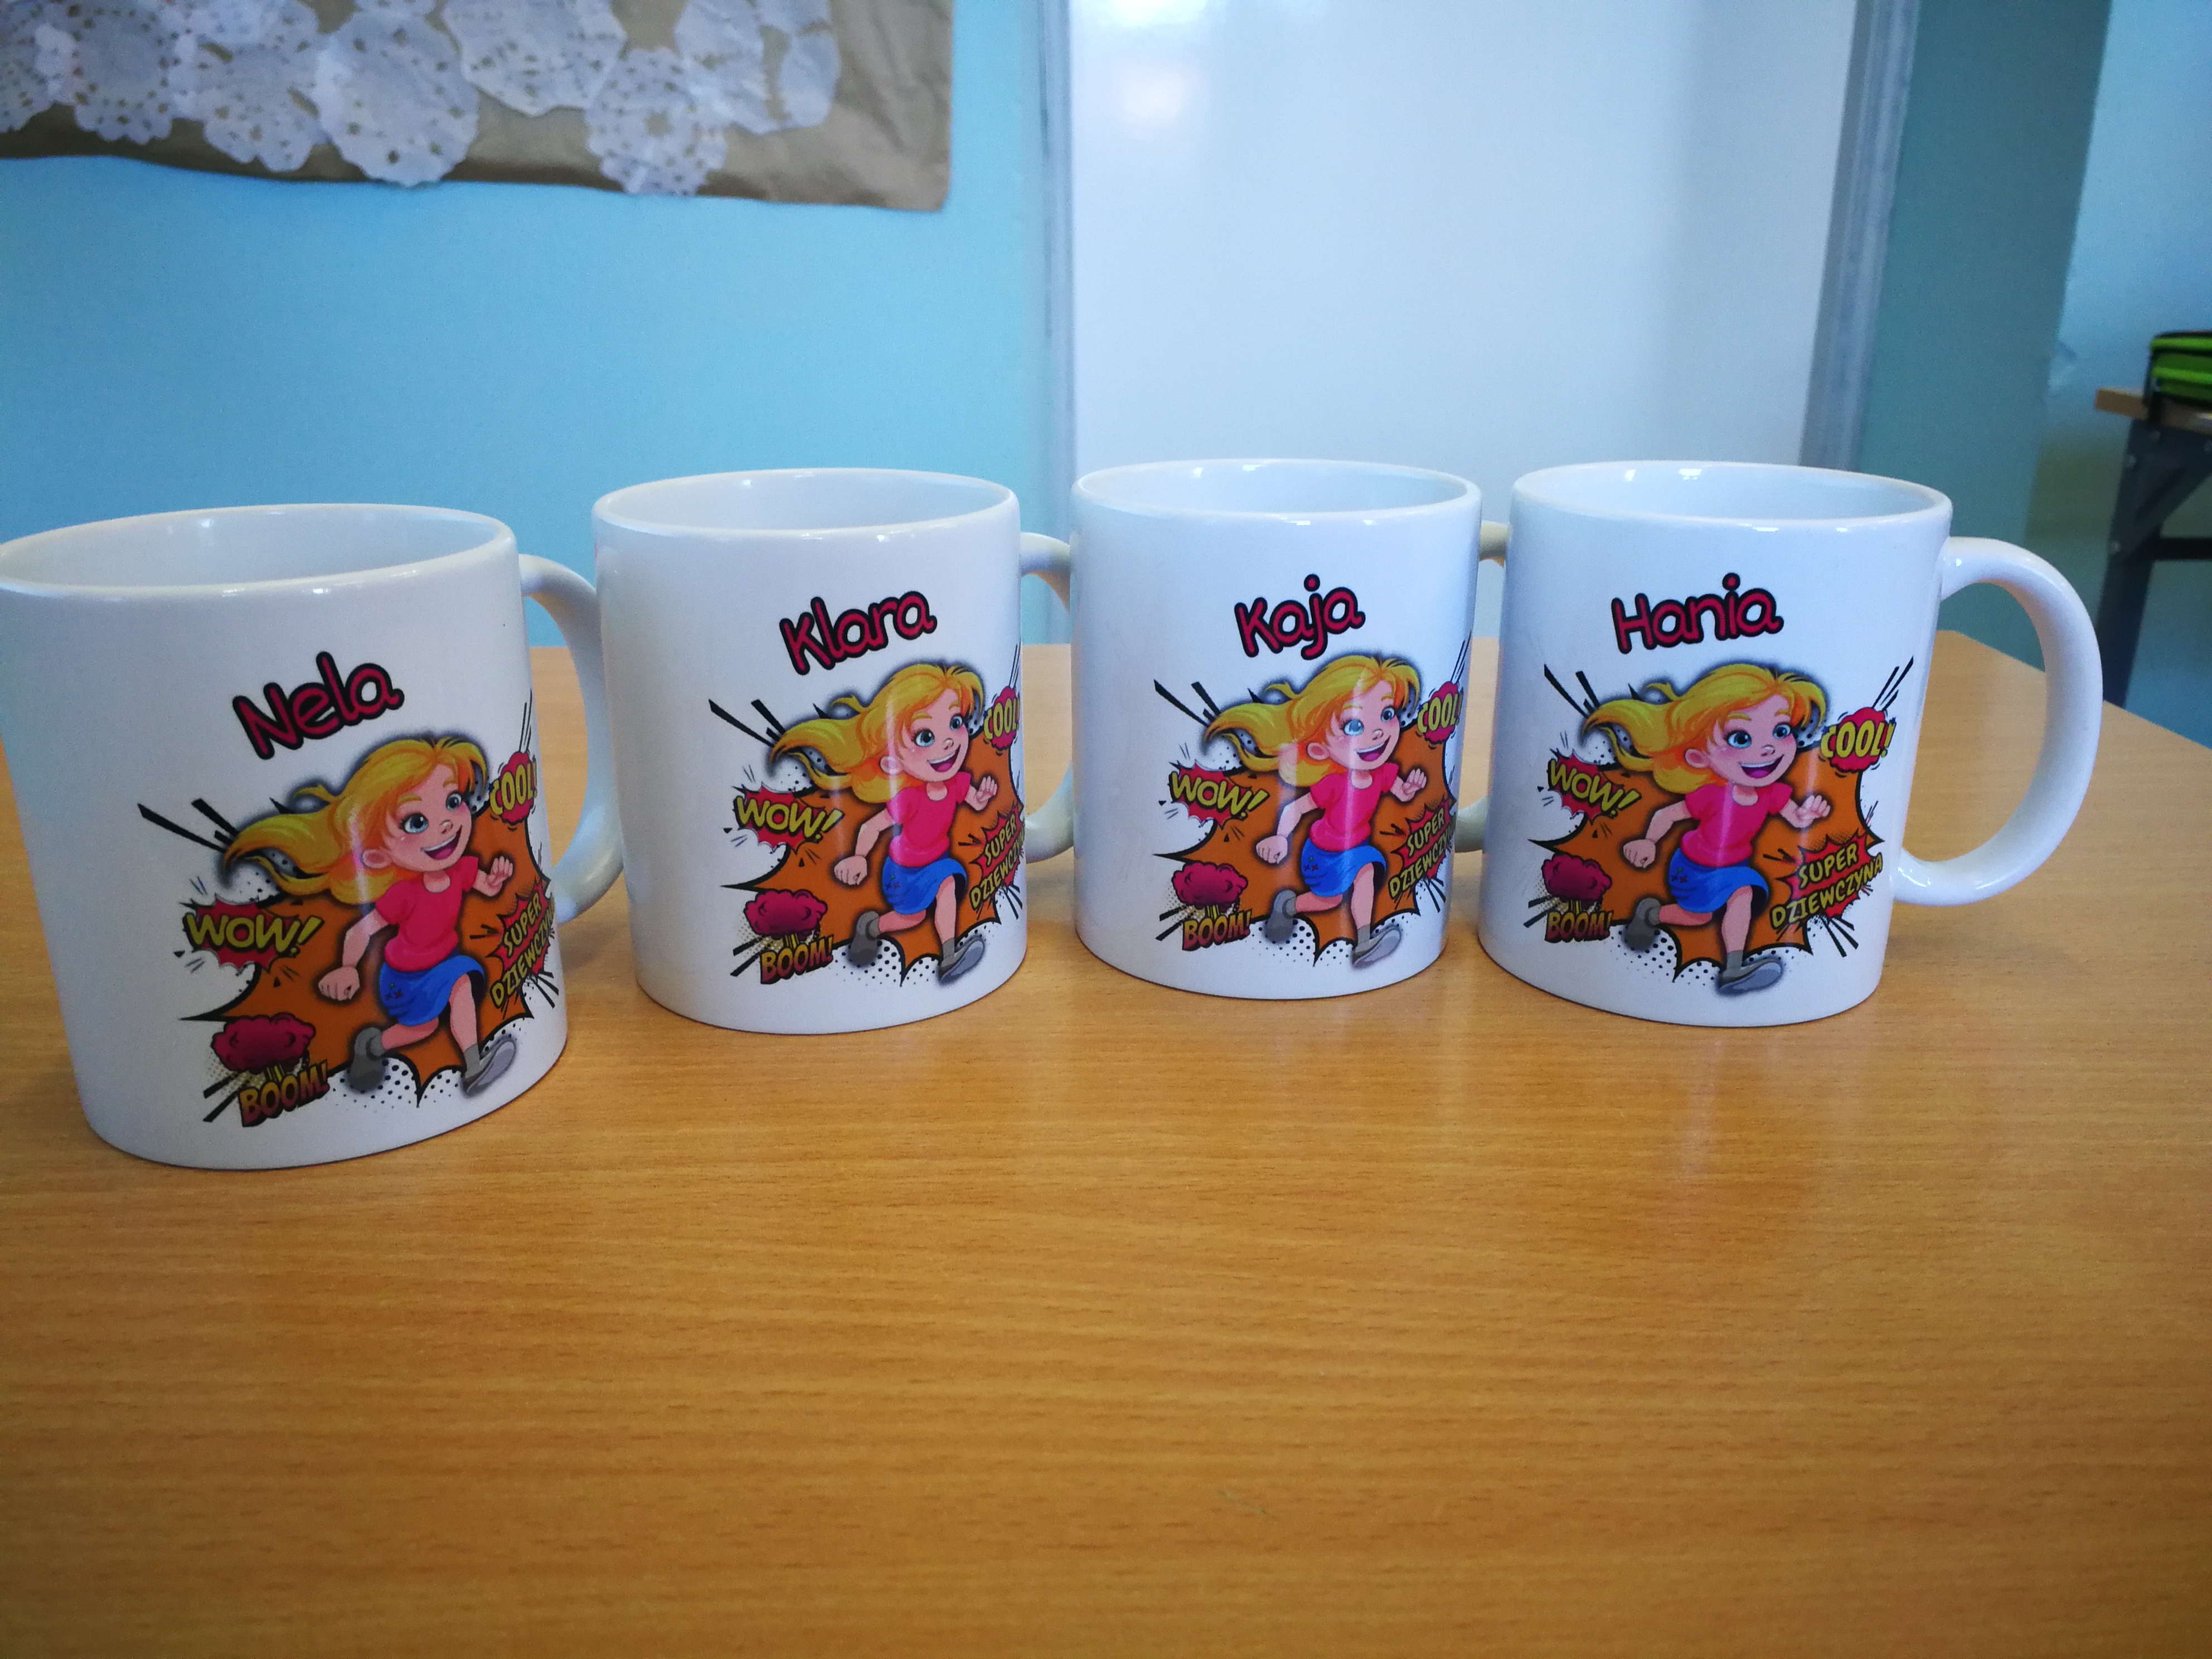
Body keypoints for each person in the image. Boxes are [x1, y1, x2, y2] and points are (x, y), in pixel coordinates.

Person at [226, 735, 518, 1093]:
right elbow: (361, 931)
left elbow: (486, 887)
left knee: (459, 987)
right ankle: (374, 1046)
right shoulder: (404, 895)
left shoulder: (459, 871)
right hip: (404, 979)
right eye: (415, 822)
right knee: (423, 1027)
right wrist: (347, 968)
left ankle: (473, 1066)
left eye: (453, 801)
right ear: (378, 854)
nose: (445, 824)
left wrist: (496, 880)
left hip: (446, 963)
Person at [1584, 663, 1830, 994]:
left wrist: (1807, 814)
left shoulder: (1771, 793)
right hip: (1693, 869)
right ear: (1699, 758)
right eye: (1741, 738)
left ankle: (1734, 969)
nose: (1768, 748)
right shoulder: (1712, 796)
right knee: (1698, 916)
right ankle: (1652, 914)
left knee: (1742, 893)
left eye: (1781, 731)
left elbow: (1795, 818)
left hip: (1735, 867)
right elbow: (1668, 814)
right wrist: (1649, 841)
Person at [773, 662, 997, 984]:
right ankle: (872, 927)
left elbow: (974, 802)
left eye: (956, 722)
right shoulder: (909, 799)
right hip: (902, 872)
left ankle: (949, 956)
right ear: (892, 761)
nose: (948, 741)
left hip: (938, 862)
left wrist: (984, 797)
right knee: (912, 917)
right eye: (925, 736)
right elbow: (873, 826)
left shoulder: (957, 783)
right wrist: (858, 857)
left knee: (947, 885)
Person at [1207, 653, 1425, 967]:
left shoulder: (1382, 774)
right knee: (1329, 900)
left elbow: (1401, 793)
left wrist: (1411, 788)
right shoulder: (1334, 785)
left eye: (1387, 713)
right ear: (1319, 749)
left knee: (1364, 872)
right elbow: (1296, 808)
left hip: (1356, 849)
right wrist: (1281, 838)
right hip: (1322, 855)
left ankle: (1364, 942)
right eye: (1354, 725)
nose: (1378, 732)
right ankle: (1289, 906)